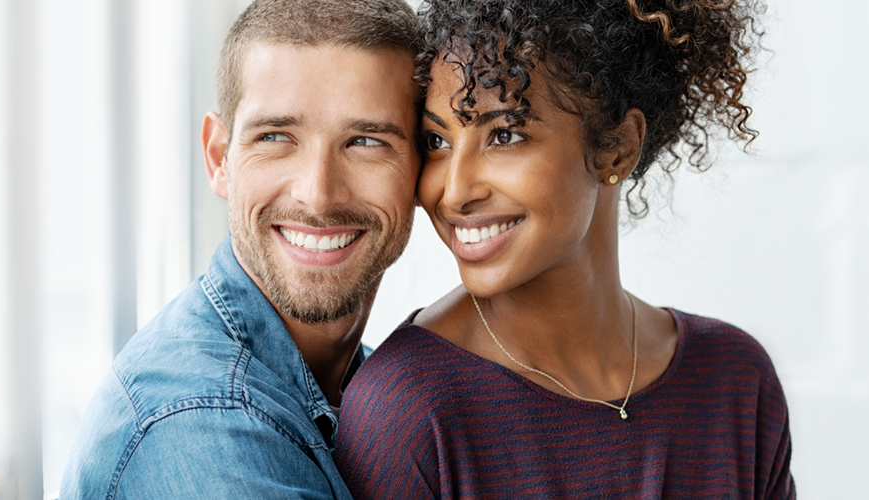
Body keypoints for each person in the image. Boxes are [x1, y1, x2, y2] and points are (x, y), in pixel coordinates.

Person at [334, 0, 794, 498]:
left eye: (504, 135)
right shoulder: (409, 411)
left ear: (617, 146)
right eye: (436, 141)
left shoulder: (734, 382)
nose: (455, 190)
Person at [58, 0, 423, 498]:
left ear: (426, 167)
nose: (317, 195)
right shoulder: (204, 423)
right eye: (276, 136)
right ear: (218, 158)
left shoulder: (368, 384)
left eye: (365, 142)